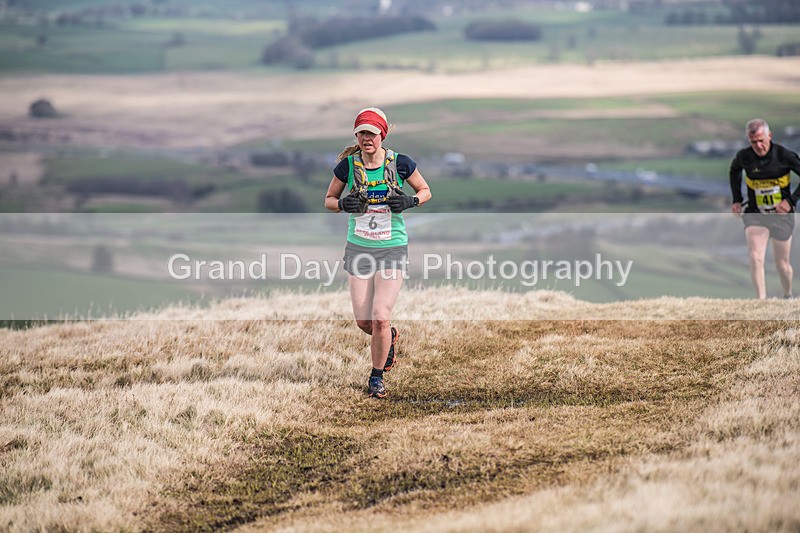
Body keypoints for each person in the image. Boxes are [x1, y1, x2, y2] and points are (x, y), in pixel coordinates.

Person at [324, 107, 431, 398]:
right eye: (361, 133)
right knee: (365, 322)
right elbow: (329, 200)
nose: (366, 138)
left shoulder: (401, 163)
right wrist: (344, 205)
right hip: (359, 247)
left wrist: (409, 201)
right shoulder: (348, 166)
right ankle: (389, 339)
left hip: (392, 247)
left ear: (381, 135)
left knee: (380, 316)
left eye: (371, 133)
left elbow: (425, 191)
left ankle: (376, 377)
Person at [730, 118, 800, 299]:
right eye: (753, 142)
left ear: (770, 136)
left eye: (762, 140)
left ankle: (787, 294)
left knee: (782, 265)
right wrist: (737, 199)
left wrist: (791, 201)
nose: (758, 146)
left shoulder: (784, 155)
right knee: (755, 257)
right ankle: (761, 301)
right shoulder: (744, 157)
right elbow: (734, 171)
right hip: (756, 214)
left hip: (781, 216)